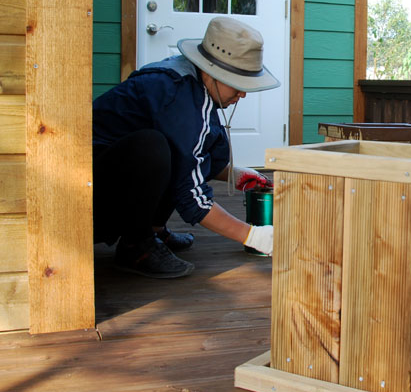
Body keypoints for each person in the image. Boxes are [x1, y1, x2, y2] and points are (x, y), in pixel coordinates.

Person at [92, 16, 278, 278]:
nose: (243, 94)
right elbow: (190, 196)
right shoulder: (180, 93)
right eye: (238, 84)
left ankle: (154, 231)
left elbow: (194, 152)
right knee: (152, 147)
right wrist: (254, 236)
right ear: (213, 72)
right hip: (90, 200)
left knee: (186, 147)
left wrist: (234, 174)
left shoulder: (194, 84)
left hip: (112, 183)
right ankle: (136, 245)